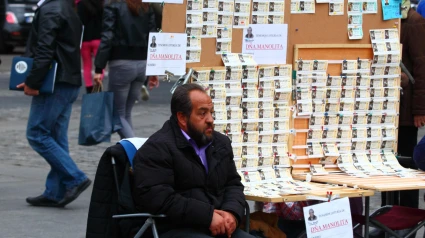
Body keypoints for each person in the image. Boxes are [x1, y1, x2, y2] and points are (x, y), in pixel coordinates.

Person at [133, 84, 255, 238]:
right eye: (202, 114)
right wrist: (207, 216)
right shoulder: (157, 148)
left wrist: (231, 213)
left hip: (217, 224)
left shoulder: (220, 143)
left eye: (211, 112)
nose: (210, 119)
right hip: (174, 227)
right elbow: (159, 198)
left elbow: (233, 184)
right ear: (182, 118)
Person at [20, 0, 91, 207]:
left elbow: (44, 48)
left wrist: (33, 81)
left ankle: (75, 177)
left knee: (37, 133)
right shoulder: (67, 7)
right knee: (57, 137)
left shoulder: (51, 9)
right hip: (67, 80)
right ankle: (54, 191)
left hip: (55, 82)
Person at [380, 0, 425, 213]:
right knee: (386, 170)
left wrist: (419, 110)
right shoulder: (383, 17)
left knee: (408, 167)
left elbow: (421, 67)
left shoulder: (414, 22)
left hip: (406, 111)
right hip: (386, 109)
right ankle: (386, 218)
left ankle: (408, 220)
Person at [94, 0, 159, 139]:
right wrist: (154, 67)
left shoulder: (113, 5)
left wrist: (99, 67)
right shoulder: (146, 6)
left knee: (117, 115)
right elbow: (153, 37)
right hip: (142, 63)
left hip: (121, 63)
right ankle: (132, 154)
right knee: (125, 113)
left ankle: (136, 153)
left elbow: (107, 36)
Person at [77, 0, 104, 94]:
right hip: (98, 38)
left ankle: (89, 88)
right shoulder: (102, 3)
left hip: (85, 40)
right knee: (100, 65)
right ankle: (97, 86)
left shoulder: (80, 4)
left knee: (86, 65)